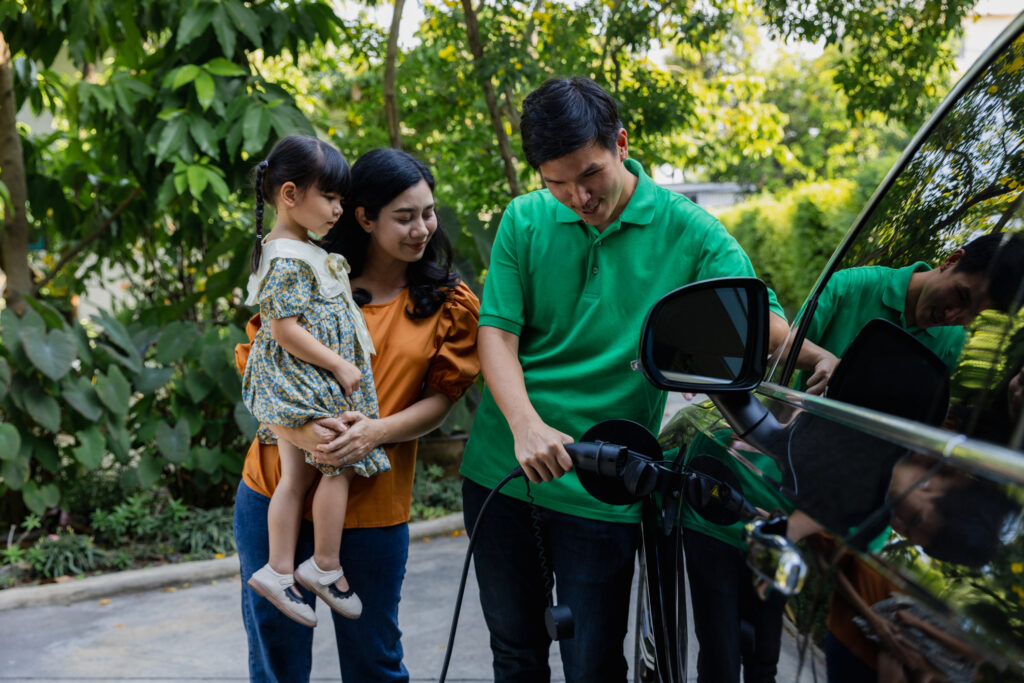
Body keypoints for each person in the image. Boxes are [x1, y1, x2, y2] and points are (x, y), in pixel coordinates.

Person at [459, 76, 789, 683]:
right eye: (556, 182)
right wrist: (525, 426)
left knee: (593, 664)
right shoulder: (525, 220)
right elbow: (497, 335)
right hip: (504, 473)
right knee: (515, 653)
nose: (577, 197)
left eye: (589, 175)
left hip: (606, 484)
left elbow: (756, 318)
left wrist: (814, 355)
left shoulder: (686, 230)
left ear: (620, 142)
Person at [233, 148, 480, 682]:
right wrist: (301, 430)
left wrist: (376, 432)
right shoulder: (310, 273)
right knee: (275, 662)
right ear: (364, 216)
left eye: (428, 213)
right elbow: (261, 367)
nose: (422, 229)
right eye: (404, 216)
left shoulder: (446, 301)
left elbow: (443, 398)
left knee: (375, 662)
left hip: (373, 508)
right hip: (275, 486)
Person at [241, 135, 388, 627]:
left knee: (297, 475)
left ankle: (280, 569)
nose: (337, 209)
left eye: (340, 199)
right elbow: (282, 328)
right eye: (330, 198)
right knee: (337, 464)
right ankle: (323, 565)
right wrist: (342, 366)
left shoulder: (295, 248)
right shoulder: (289, 256)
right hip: (307, 378)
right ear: (289, 194)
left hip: (300, 377)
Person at [797, 231, 1024, 395]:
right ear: (951, 260)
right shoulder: (853, 284)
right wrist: (822, 358)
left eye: (972, 315)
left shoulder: (955, 344)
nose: (952, 317)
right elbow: (781, 342)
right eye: (961, 296)